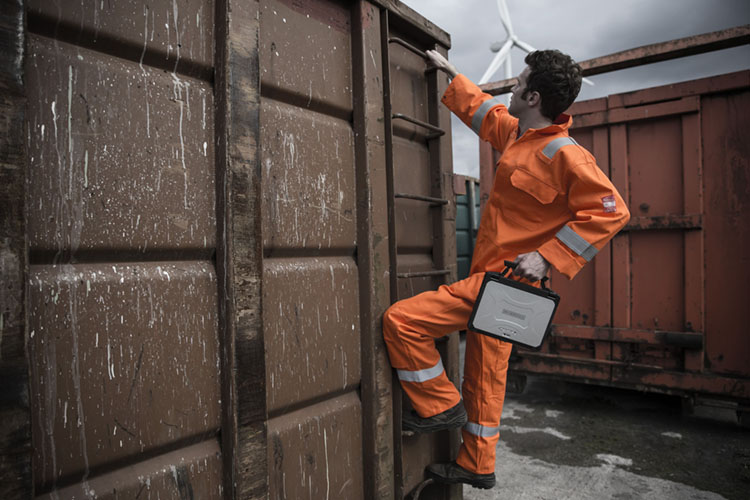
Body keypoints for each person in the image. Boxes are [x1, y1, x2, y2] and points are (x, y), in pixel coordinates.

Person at [382, 48, 630, 489]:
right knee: (485, 373)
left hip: (508, 281)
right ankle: (477, 463)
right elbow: (483, 111)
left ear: (533, 97)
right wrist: (452, 75)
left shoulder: (566, 155)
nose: (511, 87)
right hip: (497, 281)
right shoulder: (518, 135)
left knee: (402, 322)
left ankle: (438, 403)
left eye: (518, 83)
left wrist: (547, 256)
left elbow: (611, 211)